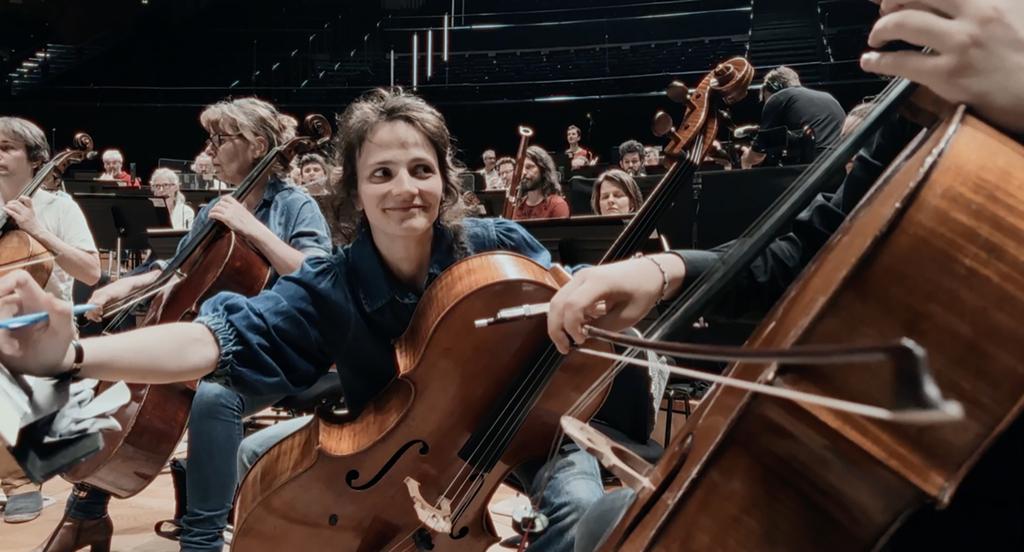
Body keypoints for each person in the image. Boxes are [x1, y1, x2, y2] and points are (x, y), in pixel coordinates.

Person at [0, 89, 601, 552]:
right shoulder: (335, 283)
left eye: (422, 169)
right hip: (398, 445)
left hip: (523, 430)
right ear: (355, 192)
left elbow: (580, 299)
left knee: (577, 507)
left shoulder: (494, 246)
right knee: (255, 457)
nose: (405, 188)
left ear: (445, 180)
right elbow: (211, 338)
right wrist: (73, 355)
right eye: (381, 173)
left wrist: (599, 291)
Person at [551, 0, 1024, 549]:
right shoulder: (924, 97)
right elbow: (811, 248)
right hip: (866, 464)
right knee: (602, 525)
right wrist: (664, 269)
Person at [31, 97, 333, 552]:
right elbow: (177, 269)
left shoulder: (294, 205)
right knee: (121, 367)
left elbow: (317, 275)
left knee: (213, 394)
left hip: (277, 346)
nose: (209, 150)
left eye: (220, 139)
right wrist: (123, 286)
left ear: (256, 144)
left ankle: (201, 540)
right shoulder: (217, 207)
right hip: (212, 337)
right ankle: (85, 513)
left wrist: (251, 227)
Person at [0, 116, 100, 524]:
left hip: (45, 328)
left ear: (36, 159)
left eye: (7, 148)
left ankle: (19, 481)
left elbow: (90, 272)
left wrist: (36, 229)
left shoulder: (59, 208)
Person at [741, 66, 846, 169]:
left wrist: (746, 159)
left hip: (813, 167)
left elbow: (758, 154)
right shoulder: (828, 97)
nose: (766, 103)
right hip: (842, 161)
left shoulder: (778, 98)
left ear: (771, 88)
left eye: (765, 98)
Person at [512, 145, 570, 220]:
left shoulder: (557, 205)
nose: (523, 172)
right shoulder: (518, 206)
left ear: (543, 170)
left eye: (529, 167)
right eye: (521, 168)